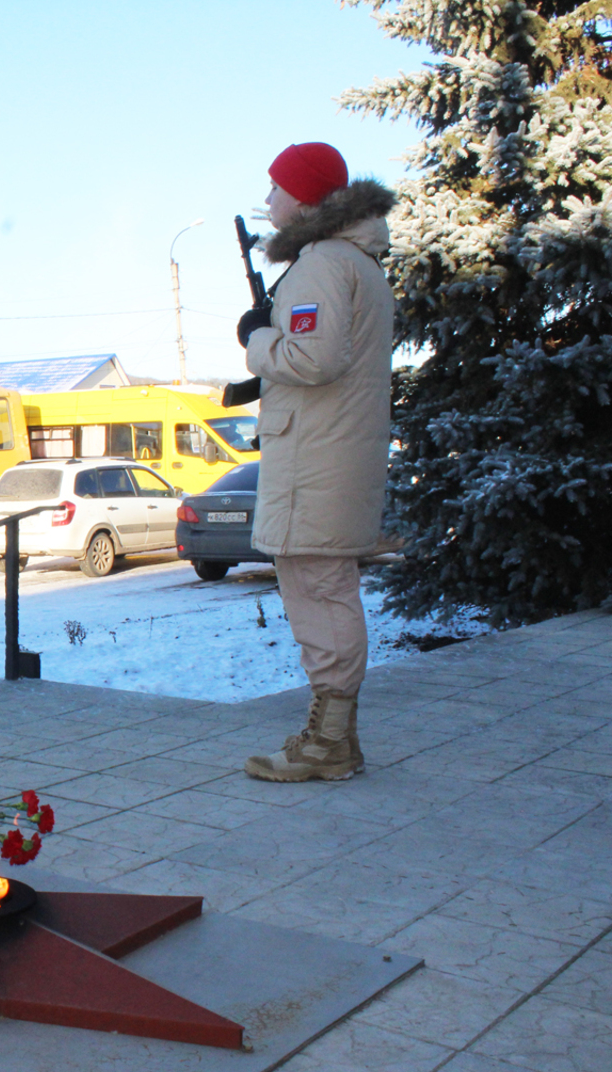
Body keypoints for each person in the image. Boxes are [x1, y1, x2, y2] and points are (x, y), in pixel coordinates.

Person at [234, 142, 395, 783]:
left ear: (305, 199)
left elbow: (312, 359)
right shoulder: (348, 261)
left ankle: (329, 742)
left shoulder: (324, 263)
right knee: (324, 591)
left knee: (321, 593)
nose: (268, 200)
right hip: (325, 456)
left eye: (276, 188)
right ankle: (335, 738)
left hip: (315, 463)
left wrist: (257, 338)